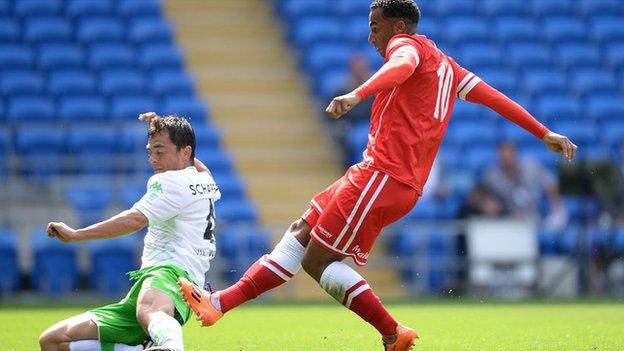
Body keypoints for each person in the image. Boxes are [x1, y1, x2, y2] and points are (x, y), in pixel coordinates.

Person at [178, 1, 578, 350]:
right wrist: (544, 132)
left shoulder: (405, 48)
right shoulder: (448, 67)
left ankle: (392, 332)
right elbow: (494, 97)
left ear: (397, 27)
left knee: (317, 261)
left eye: (375, 27)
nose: (371, 37)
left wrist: (356, 94)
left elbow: (401, 64)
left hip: (382, 176)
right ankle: (219, 304)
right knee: (302, 231)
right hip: (384, 178)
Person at [39, 114, 220, 351]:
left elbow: (134, 220)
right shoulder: (205, 179)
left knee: (149, 310)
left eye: (160, 151)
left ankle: (172, 347)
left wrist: (76, 235)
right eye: (150, 152)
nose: (153, 159)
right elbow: (197, 162)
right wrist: (161, 126)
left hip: (169, 275)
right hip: (177, 284)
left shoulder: (170, 182)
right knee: (52, 341)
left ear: (185, 152)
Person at [482, 141, 568, 231]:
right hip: (507, 221)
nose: (506, 159)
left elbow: (550, 182)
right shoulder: (492, 176)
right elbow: (486, 199)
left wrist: (557, 210)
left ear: (515, 154)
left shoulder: (531, 167)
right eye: (503, 156)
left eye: (509, 155)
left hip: (534, 220)